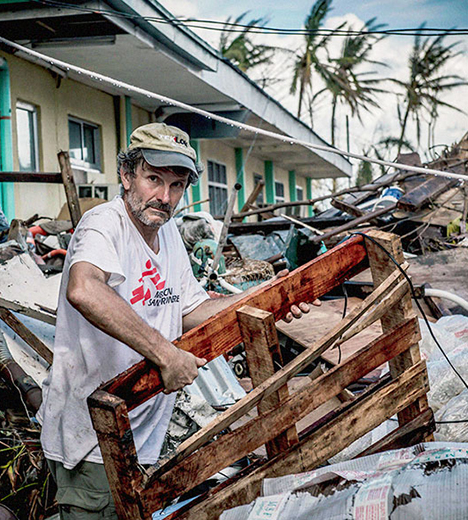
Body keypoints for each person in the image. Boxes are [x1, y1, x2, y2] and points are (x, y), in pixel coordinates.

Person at [37, 122, 317, 519]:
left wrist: (269, 300)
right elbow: (83, 289)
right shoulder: (104, 225)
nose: (164, 197)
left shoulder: (166, 235)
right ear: (127, 175)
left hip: (140, 435)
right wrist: (165, 355)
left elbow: (190, 311)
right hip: (91, 441)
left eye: (176, 186)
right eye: (153, 179)